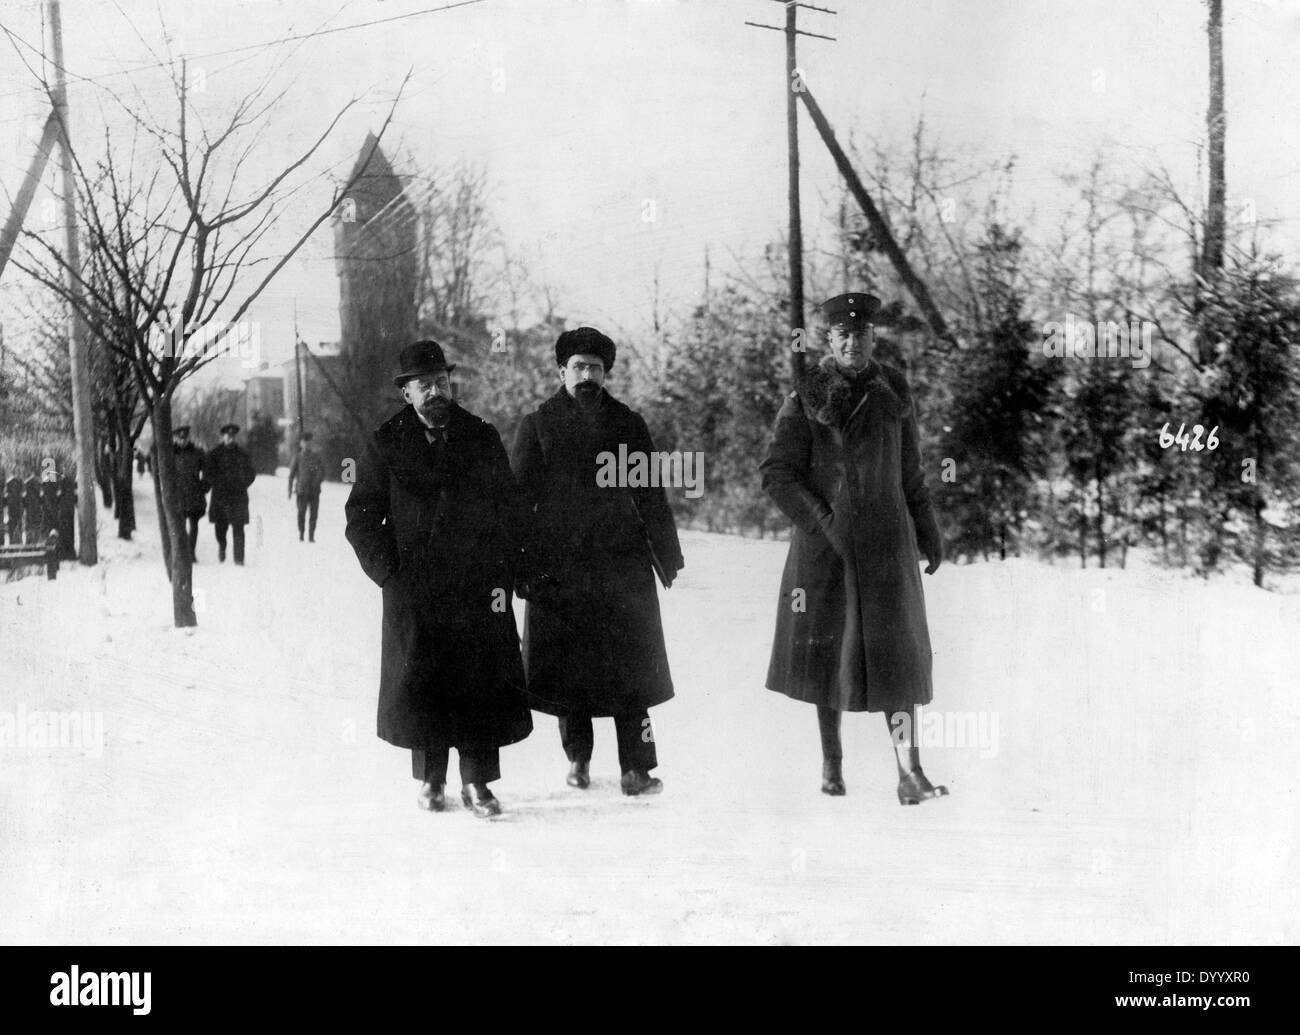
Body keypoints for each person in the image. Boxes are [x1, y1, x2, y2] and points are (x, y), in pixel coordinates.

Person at [759, 292, 949, 805]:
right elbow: (776, 472)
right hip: (829, 550)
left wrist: (927, 528)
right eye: (842, 335)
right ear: (828, 339)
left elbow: (911, 470)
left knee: (901, 661)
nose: (852, 342)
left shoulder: (895, 392)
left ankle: (910, 773)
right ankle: (832, 764)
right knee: (829, 656)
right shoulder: (807, 394)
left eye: (861, 334)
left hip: (889, 546)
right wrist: (823, 520)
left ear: (873, 337)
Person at [345, 339, 532, 817]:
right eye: (424, 385)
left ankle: (478, 784)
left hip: (476, 584)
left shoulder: (481, 436)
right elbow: (362, 517)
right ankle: (432, 781)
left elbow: (510, 509)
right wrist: (390, 573)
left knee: (480, 682)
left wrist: (505, 571)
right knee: (424, 682)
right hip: (417, 586)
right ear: (406, 392)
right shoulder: (386, 442)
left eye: (442, 382)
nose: (435, 392)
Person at [510, 326, 684, 797]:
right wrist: (522, 566)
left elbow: (650, 492)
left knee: (633, 673)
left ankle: (637, 768)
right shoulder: (538, 425)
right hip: (560, 565)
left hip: (619, 563)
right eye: (579, 367)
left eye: (596, 368)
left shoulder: (628, 423)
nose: (588, 375)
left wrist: (667, 554)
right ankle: (578, 759)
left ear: (606, 373)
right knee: (569, 670)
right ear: (561, 371)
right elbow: (517, 503)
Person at [206, 423, 257, 565]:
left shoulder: (243, 454)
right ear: (223, 437)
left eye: (232, 436)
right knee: (220, 528)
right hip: (220, 497)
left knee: (238, 527)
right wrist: (217, 483)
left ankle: (239, 559)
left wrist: (242, 483)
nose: (230, 438)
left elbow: (251, 473)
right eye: (228, 436)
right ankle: (222, 546)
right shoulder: (214, 454)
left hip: (238, 496)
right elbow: (208, 474)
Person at [171, 425, 208, 562]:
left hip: (194, 494)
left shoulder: (198, 452)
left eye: (185, 438)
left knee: (194, 525)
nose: (182, 441)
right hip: (178, 494)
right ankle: (184, 552)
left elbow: (207, 471)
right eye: (180, 438)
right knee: (180, 525)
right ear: (176, 438)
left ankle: (191, 552)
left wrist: (204, 487)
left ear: (188, 438)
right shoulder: (171, 453)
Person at [287, 433, 324, 542]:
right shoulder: (298, 457)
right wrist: (289, 490)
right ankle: (301, 533)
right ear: (301, 443)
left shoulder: (316, 457)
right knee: (301, 513)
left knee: (314, 514)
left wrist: (317, 481)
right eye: (304, 442)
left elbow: (321, 472)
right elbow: (292, 475)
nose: (306, 444)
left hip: (314, 490)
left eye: (308, 442)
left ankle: (311, 535)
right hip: (301, 490)